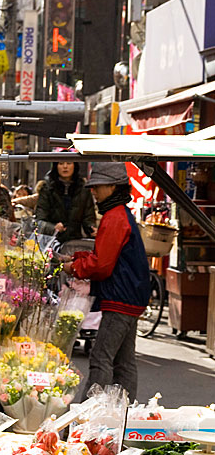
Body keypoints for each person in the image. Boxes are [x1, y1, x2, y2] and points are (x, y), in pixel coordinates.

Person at [62, 162, 150, 401]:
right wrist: (79, 258)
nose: (94, 191)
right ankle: (125, 411)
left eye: (97, 186)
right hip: (130, 295)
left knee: (101, 357)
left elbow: (102, 266)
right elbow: (107, 257)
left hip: (120, 297)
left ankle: (90, 413)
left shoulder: (115, 217)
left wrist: (75, 268)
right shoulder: (121, 213)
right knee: (124, 361)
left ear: (112, 186)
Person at [35, 154, 96, 243]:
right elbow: (39, 220)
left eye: (69, 163)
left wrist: (91, 229)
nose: (65, 166)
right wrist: (53, 228)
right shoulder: (47, 188)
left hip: (74, 242)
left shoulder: (83, 189)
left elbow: (88, 217)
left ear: (75, 166)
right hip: (50, 242)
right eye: (61, 163)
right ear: (56, 166)